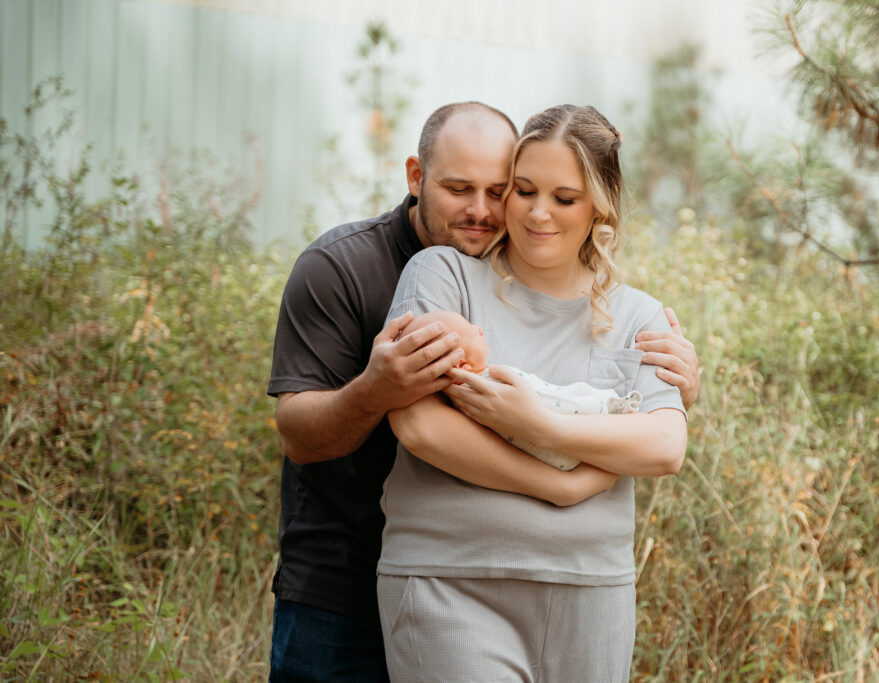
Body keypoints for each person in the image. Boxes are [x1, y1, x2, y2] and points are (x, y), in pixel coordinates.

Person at [267, 102, 700, 681]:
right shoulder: (413, 271)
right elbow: (412, 426)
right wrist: (564, 483)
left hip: (588, 586)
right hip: (389, 573)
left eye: (560, 197)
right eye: (521, 191)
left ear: (599, 207)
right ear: (416, 179)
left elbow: (665, 445)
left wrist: (543, 425)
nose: (529, 212)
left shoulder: (640, 314)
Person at [397, 309, 651, 470]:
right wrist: (603, 407)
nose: (480, 328)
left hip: (555, 457)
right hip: (570, 432)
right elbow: (547, 399)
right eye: (471, 331)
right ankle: (611, 409)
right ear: (462, 364)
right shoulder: (492, 381)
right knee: (570, 395)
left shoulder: (457, 402)